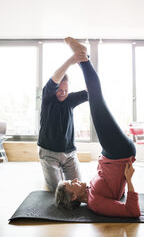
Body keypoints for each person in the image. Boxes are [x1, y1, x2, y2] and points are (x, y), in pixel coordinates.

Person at [55, 37, 141, 218]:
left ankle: (82, 58)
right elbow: (132, 212)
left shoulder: (89, 190)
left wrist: (121, 185)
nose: (76, 179)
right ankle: (82, 58)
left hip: (111, 152)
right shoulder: (95, 203)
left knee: (95, 102)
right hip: (119, 153)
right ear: (73, 198)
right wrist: (129, 180)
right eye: (72, 183)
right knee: (96, 101)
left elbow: (117, 191)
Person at [38, 51, 88, 192]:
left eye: (66, 90)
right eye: (59, 90)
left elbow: (91, 90)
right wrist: (71, 61)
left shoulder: (70, 99)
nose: (63, 93)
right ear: (54, 90)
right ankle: (48, 180)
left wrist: (85, 64)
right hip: (49, 153)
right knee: (58, 192)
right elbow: (54, 80)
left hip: (69, 154)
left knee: (79, 190)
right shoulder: (48, 98)